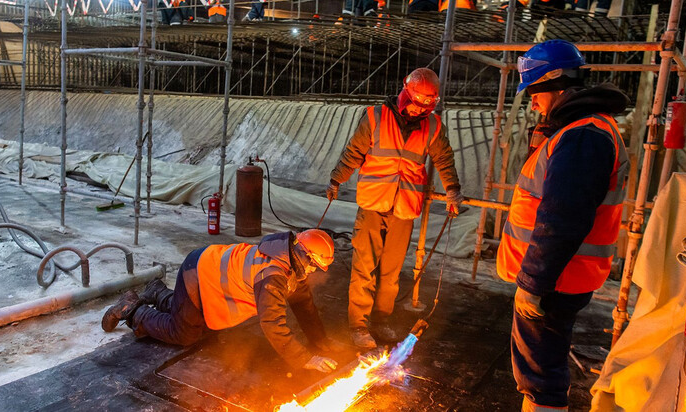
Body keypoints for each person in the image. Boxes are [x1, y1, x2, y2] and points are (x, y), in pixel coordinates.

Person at [496, 39, 629, 412]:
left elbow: (562, 219)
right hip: (562, 276)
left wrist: (533, 283)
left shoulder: (583, 136)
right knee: (540, 371)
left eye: (535, 93)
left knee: (540, 378)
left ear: (555, 85)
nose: (533, 102)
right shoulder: (578, 131)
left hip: (555, 280)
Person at [326, 67, 463, 349]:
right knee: (365, 269)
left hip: (404, 208)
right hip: (374, 204)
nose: (419, 110)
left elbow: (444, 159)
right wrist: (336, 179)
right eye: (416, 102)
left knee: (391, 273)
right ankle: (359, 326)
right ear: (405, 91)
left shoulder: (434, 126)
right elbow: (354, 151)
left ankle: (381, 319)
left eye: (427, 105)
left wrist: (452, 190)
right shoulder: (375, 117)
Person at [101, 229, 344, 373]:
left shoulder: (289, 263)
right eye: (314, 264)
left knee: (200, 322)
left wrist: (321, 342)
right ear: (303, 254)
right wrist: (305, 359)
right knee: (185, 333)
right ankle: (133, 310)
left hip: (210, 273)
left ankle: (157, 292)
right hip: (198, 272)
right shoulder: (272, 275)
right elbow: (273, 323)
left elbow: (304, 306)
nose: (314, 271)